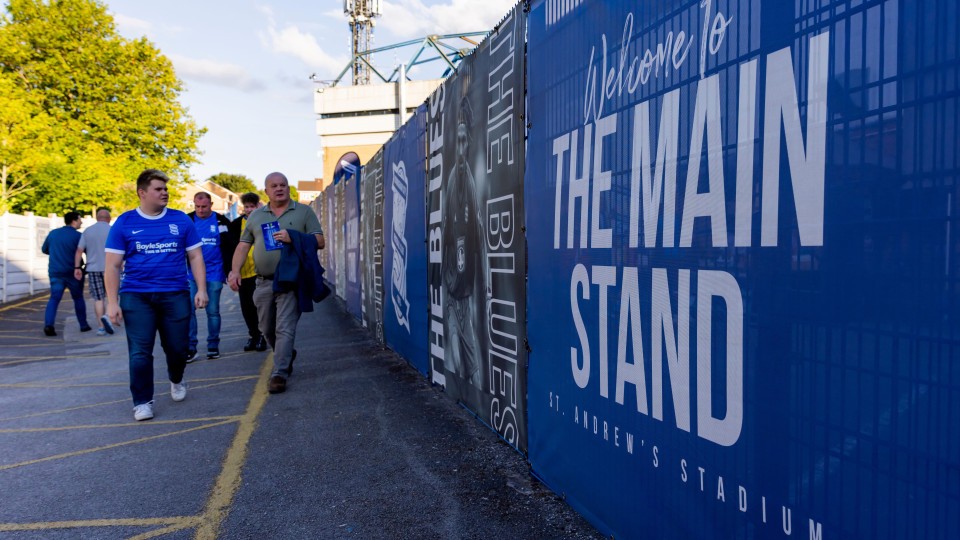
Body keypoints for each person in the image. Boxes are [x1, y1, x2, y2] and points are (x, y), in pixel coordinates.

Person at [105, 169, 208, 421]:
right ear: (142, 193)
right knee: (140, 352)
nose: (165, 193)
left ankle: (176, 377)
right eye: (158, 189)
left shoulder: (181, 220)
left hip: (175, 294)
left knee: (178, 348)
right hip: (136, 296)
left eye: (166, 189)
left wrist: (201, 289)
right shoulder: (125, 222)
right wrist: (112, 303)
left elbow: (195, 256)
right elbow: (113, 266)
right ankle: (142, 402)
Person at [228, 172, 324, 394]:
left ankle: (279, 373)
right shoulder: (256, 216)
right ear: (266, 191)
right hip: (263, 282)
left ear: (288, 188)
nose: (279, 188)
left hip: (291, 281)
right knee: (266, 328)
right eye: (274, 186)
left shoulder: (303, 211)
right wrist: (234, 272)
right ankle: (286, 353)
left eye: (283, 185)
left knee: (284, 328)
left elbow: (320, 241)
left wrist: (294, 237)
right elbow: (243, 246)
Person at [442, 97, 487, 402]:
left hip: (465, 289)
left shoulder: (469, 181)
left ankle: (471, 399)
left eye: (463, 141)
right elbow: (448, 229)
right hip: (453, 285)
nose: (460, 147)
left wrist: (485, 283)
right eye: (456, 141)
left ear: (468, 142)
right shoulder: (453, 181)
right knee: (457, 356)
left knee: (471, 362)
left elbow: (478, 233)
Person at [185, 191, 233, 361]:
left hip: (215, 272)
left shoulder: (221, 221)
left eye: (204, 206)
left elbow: (230, 246)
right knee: (189, 310)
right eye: (197, 206)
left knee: (212, 311)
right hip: (191, 274)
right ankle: (191, 347)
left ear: (211, 205)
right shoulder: (188, 220)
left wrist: (231, 270)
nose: (200, 210)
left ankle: (213, 345)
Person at [228, 192, 267, 352]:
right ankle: (253, 335)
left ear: (258, 206)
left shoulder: (264, 222)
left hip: (259, 271)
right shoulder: (236, 224)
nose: (249, 209)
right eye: (247, 207)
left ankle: (263, 335)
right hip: (242, 272)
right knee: (247, 308)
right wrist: (231, 271)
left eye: (252, 206)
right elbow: (230, 249)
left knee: (260, 306)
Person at [42, 211, 91, 336]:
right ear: (74, 221)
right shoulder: (78, 236)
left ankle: (49, 325)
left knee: (54, 298)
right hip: (74, 272)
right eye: (79, 219)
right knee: (78, 298)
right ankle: (83, 325)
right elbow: (87, 252)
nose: (81, 222)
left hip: (55, 272)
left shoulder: (53, 233)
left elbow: (44, 249)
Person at [74, 207, 114, 336]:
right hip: (111, 269)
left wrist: (77, 268)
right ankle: (108, 316)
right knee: (112, 296)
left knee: (98, 299)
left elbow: (79, 251)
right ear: (109, 219)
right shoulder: (113, 230)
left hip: (93, 269)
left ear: (97, 218)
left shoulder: (88, 231)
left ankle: (101, 328)